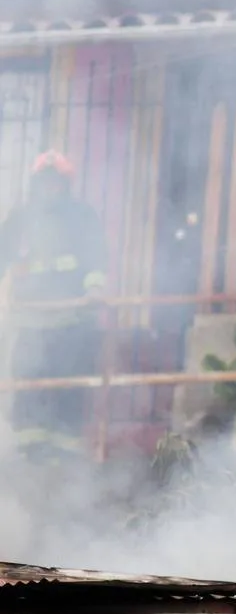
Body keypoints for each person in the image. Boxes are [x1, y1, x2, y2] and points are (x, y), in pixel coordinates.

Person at [0, 151, 107, 460]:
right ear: (35, 183)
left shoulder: (83, 217)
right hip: (29, 323)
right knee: (29, 387)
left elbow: (97, 258)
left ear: (66, 184)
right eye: (45, 181)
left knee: (69, 390)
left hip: (71, 323)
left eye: (56, 181)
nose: (50, 187)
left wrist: (95, 288)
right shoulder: (19, 220)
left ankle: (65, 460)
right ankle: (29, 456)